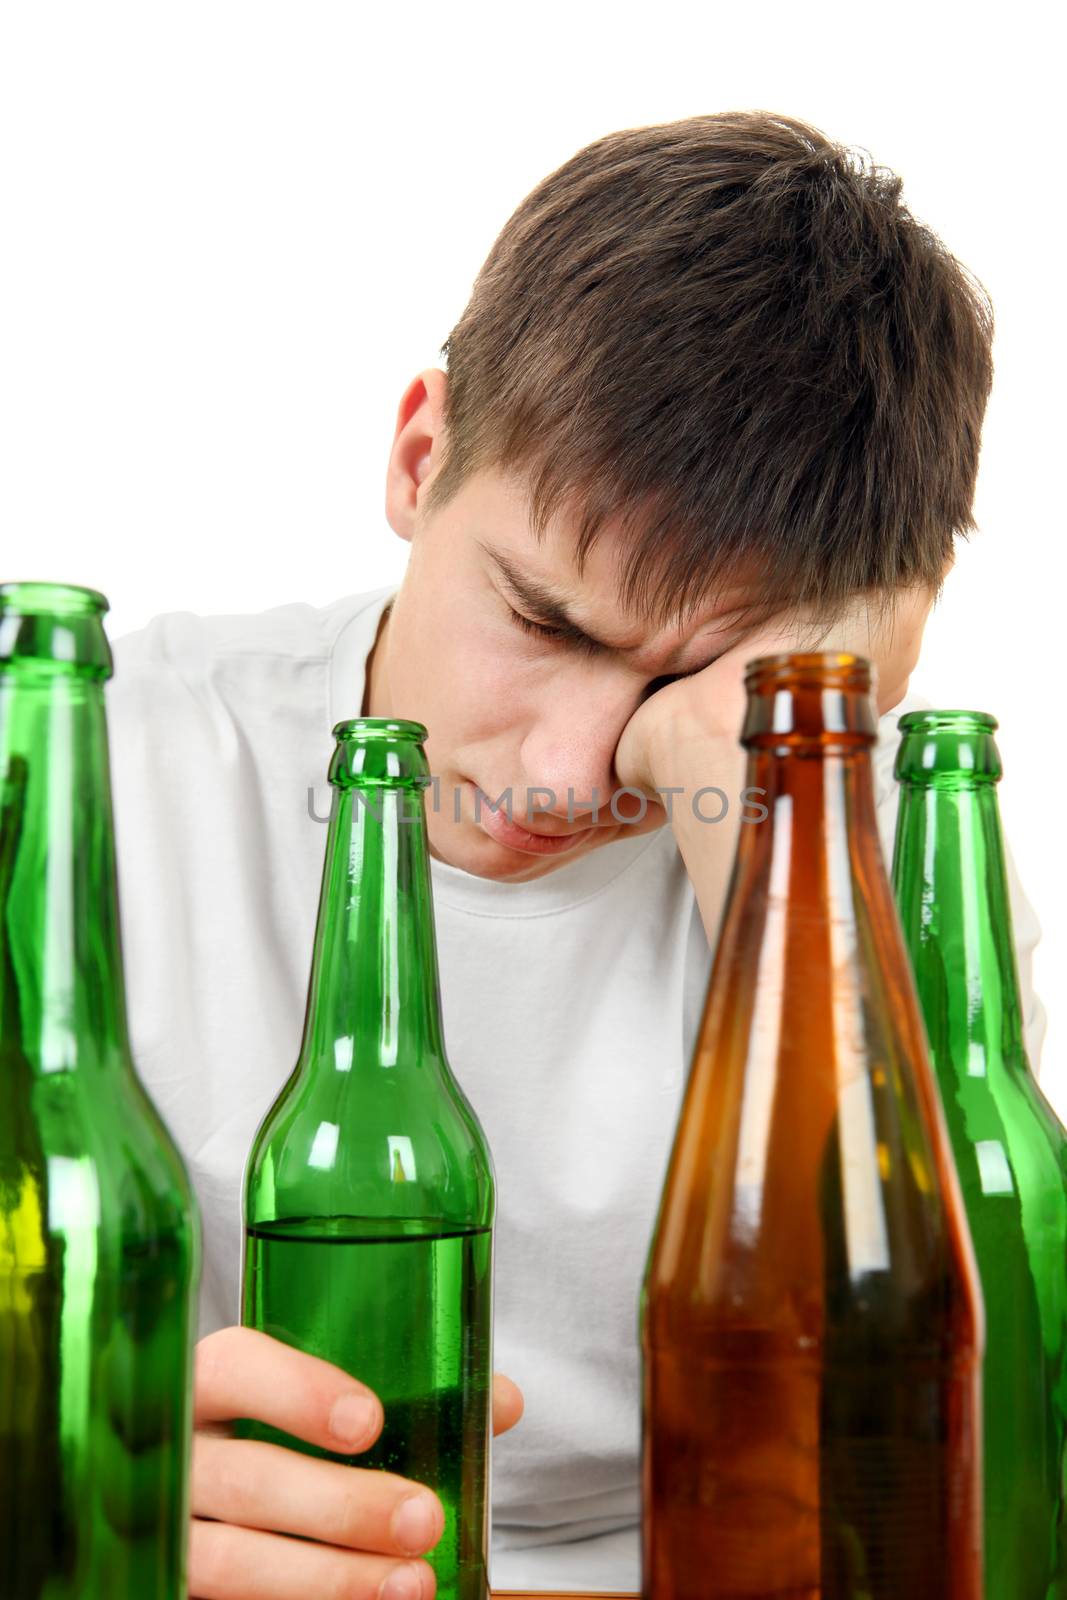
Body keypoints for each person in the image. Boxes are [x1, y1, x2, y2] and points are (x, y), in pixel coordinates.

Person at [106, 110, 1045, 1600]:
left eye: (687, 686)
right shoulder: (113, 767)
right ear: (422, 454)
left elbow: (942, 1426)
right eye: (545, 621)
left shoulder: (864, 880)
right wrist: (83, 1477)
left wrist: (774, 757)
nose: (564, 772)